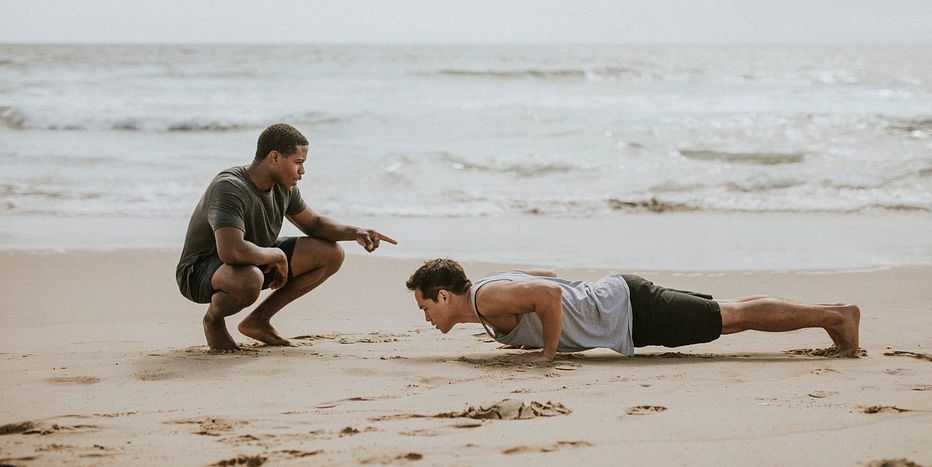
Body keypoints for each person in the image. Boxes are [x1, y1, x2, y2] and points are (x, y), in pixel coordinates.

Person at [176, 123, 397, 352]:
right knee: (250, 277)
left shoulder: (283, 187)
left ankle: (258, 320)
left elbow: (315, 224)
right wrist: (278, 255)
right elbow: (231, 251)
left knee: (331, 253)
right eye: (298, 163)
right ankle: (213, 320)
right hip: (200, 270)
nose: (302, 171)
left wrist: (356, 232)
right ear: (274, 157)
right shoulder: (230, 187)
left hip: (253, 259)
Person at [406, 259, 861, 364]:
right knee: (730, 311)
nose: (425, 315)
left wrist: (547, 355)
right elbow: (544, 276)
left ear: (444, 296)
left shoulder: (486, 299)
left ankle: (837, 319)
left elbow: (545, 294)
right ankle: (835, 313)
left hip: (628, 311)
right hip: (624, 304)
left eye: (424, 305)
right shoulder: (489, 296)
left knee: (733, 317)